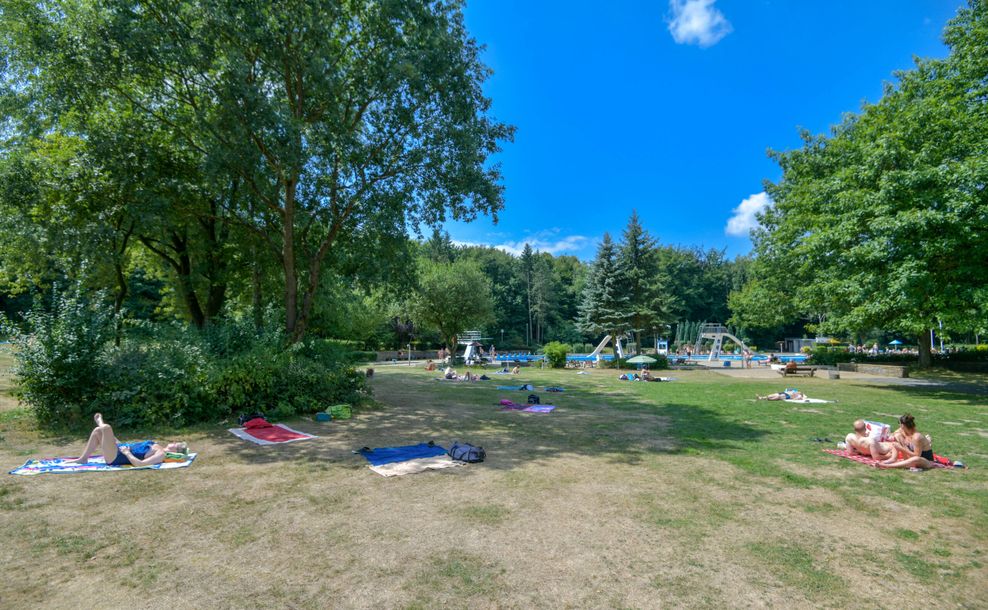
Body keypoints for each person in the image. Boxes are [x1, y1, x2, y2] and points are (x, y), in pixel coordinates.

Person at [67, 413, 187, 466]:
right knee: (98, 431)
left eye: (177, 444)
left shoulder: (161, 454)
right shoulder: (157, 445)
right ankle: (83, 459)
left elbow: (140, 464)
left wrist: (127, 453)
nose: (174, 442)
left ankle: (100, 422)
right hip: (121, 448)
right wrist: (124, 447)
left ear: (175, 451)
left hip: (116, 457)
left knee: (106, 428)